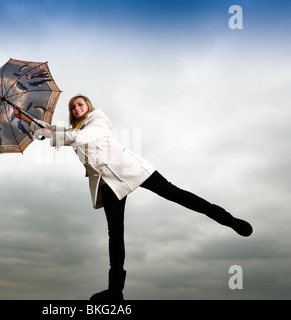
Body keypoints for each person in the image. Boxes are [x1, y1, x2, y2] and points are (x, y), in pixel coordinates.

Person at [13, 94, 253, 300]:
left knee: (174, 193)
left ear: (88, 106)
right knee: (115, 232)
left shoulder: (97, 120)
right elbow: (57, 131)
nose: (76, 109)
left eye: (80, 104)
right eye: (73, 107)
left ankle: (228, 219)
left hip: (130, 169)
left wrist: (48, 133)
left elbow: (78, 138)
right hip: (107, 182)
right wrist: (26, 119)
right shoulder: (75, 129)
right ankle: (115, 291)